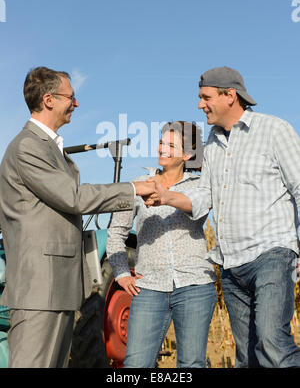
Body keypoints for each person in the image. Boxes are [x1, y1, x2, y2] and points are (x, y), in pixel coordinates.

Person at [0, 66, 154, 368]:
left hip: (55, 288)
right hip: (39, 291)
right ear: (48, 100)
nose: (77, 103)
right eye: (71, 97)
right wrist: (133, 188)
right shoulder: (30, 147)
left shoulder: (49, 149)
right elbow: (73, 197)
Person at [147, 66, 300, 368]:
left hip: (271, 253)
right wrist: (167, 197)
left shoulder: (274, 130)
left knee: (272, 344)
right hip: (231, 266)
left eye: (205, 97)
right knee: (246, 356)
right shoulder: (213, 147)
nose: (200, 105)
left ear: (230, 95)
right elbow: (205, 196)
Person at [106, 121, 217, 368]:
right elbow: (116, 232)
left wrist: (166, 197)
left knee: (191, 364)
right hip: (149, 288)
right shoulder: (138, 185)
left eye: (170, 145)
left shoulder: (199, 187)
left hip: (195, 285)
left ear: (187, 155)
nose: (162, 149)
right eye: (160, 142)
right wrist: (122, 273)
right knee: (135, 364)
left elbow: (197, 210)